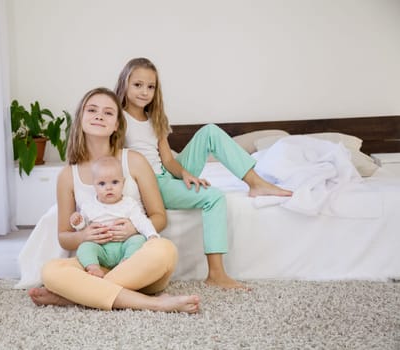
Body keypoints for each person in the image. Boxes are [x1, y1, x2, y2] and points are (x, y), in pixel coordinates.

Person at [114, 57, 293, 290]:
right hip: (151, 185)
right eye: (137, 85)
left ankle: (255, 182)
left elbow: (167, 159)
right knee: (214, 196)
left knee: (209, 131)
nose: (144, 91)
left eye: (150, 87)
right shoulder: (118, 118)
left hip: (166, 174)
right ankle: (216, 274)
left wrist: (186, 174)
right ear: (125, 84)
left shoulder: (155, 118)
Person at [28, 87, 199, 313]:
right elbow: (64, 237)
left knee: (165, 250)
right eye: (92, 110)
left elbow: (159, 217)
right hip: (94, 264)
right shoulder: (68, 175)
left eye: (108, 113)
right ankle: (154, 303)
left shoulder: (134, 161)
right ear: (80, 118)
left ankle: (78, 295)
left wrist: (132, 229)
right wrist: (83, 235)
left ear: (117, 124)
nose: (99, 115)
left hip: (137, 263)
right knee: (51, 271)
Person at [71, 155, 159, 278]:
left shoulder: (129, 204)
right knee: (84, 247)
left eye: (114, 182)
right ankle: (94, 268)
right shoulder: (89, 206)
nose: (108, 187)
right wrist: (77, 222)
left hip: (124, 246)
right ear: (94, 186)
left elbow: (141, 221)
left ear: (123, 183)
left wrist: (151, 235)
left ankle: (127, 263)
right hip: (100, 248)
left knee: (138, 240)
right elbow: (83, 228)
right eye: (102, 183)